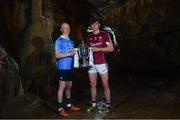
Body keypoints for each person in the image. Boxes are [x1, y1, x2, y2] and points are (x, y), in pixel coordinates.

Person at [85, 18, 114, 113]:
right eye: (92, 24)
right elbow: (87, 52)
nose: (94, 26)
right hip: (91, 64)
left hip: (102, 63)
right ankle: (93, 105)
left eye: (96, 24)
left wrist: (98, 49)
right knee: (92, 84)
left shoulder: (105, 35)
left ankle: (108, 105)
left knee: (105, 84)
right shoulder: (88, 37)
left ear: (99, 25)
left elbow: (111, 48)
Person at [55, 22, 80, 117]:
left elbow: (74, 54)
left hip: (70, 68)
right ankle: (60, 108)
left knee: (69, 86)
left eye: (68, 27)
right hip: (62, 67)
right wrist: (70, 54)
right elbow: (57, 55)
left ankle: (69, 105)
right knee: (62, 87)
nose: (67, 29)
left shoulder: (71, 41)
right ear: (61, 29)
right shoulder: (59, 40)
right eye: (65, 28)